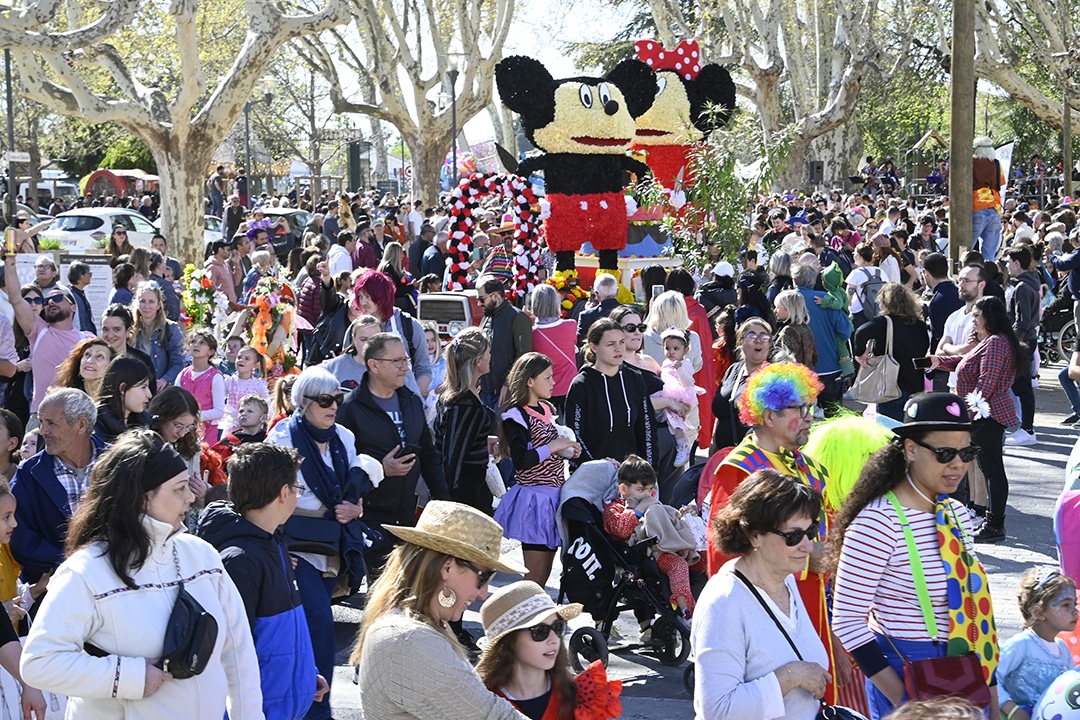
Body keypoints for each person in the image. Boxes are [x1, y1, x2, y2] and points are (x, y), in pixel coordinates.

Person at [20, 430, 264, 718]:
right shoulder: (85, 571)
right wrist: (128, 677)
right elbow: (40, 663)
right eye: (179, 489)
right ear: (141, 498)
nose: (190, 497)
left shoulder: (202, 555)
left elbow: (239, 654)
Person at [831, 392, 1000, 719]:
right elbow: (847, 621)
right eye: (945, 452)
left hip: (965, 671)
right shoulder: (878, 522)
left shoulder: (957, 514)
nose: (958, 464)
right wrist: (908, 703)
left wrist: (992, 703)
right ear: (910, 449)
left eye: (967, 452)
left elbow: (973, 609)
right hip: (910, 682)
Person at [703, 362, 844, 701]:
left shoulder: (811, 468)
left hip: (816, 610)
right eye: (800, 408)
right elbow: (723, 551)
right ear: (769, 416)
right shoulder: (739, 469)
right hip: (764, 612)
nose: (810, 416)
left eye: (810, 407)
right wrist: (810, 557)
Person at [265, 366, 379, 720]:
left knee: (317, 620)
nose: (333, 406)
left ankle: (310, 701)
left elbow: (351, 489)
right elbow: (267, 499)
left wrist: (355, 505)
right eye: (325, 400)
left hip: (332, 544)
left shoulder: (344, 438)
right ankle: (316, 710)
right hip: (293, 543)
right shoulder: (281, 438)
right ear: (304, 403)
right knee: (315, 617)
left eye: (337, 399)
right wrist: (277, 548)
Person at [351, 500, 529, 720]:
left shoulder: (417, 626)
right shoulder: (411, 639)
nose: (483, 593)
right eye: (483, 577)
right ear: (448, 567)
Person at [196, 444, 329, 720]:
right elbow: (229, 653)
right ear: (284, 493)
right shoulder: (239, 561)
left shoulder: (274, 544)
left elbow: (282, 633)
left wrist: (305, 675)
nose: (297, 494)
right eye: (297, 487)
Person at [694, 468, 831, 720]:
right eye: (793, 536)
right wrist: (792, 676)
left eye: (811, 531)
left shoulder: (786, 579)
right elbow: (718, 710)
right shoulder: (724, 601)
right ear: (754, 535)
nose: (808, 546)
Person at [337, 333, 450, 572]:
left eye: (405, 360)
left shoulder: (410, 401)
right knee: (380, 596)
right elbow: (341, 466)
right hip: (370, 517)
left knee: (405, 596)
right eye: (397, 361)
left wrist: (443, 502)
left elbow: (428, 456)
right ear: (374, 365)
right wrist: (381, 469)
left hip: (408, 516)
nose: (404, 367)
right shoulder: (350, 408)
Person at [929, 297, 1021, 542]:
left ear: (989, 318)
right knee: (990, 469)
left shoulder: (996, 343)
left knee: (993, 470)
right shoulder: (991, 341)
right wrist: (941, 362)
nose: (973, 320)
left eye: (977, 316)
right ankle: (993, 522)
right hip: (982, 413)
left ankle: (994, 525)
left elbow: (986, 383)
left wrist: (967, 414)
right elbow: (967, 364)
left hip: (987, 415)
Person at [477, 580, 622, 720]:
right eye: (540, 631)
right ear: (508, 642)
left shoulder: (581, 698)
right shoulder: (478, 703)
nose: (554, 639)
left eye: (557, 627)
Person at [495, 353, 580, 586]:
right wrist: (554, 446)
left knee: (543, 577)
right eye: (548, 377)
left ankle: (537, 622)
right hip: (534, 502)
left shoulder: (546, 409)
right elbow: (521, 460)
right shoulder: (516, 415)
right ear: (529, 381)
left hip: (554, 497)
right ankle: (523, 620)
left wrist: (567, 450)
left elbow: (549, 448)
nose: (553, 382)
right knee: (533, 578)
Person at [10, 387, 107, 588]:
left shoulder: (116, 464)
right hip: (55, 587)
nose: (43, 431)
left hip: (114, 584)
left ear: (81, 425)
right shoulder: (29, 473)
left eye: (51, 423)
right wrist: (73, 565)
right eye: (41, 421)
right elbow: (21, 539)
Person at [605, 455, 703, 621]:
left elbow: (663, 521)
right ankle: (687, 613)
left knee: (703, 563)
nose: (647, 494)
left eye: (650, 490)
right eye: (641, 490)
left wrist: (679, 515)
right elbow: (621, 530)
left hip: (670, 547)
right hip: (646, 555)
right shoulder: (615, 507)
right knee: (678, 565)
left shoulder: (654, 504)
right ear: (624, 490)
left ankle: (706, 609)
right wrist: (640, 508)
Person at [319, 268, 432, 398]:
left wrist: (412, 398)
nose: (363, 302)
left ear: (383, 296)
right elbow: (348, 366)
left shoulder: (410, 326)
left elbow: (423, 369)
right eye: (360, 297)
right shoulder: (355, 328)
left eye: (368, 297)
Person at [5, 253, 93, 418]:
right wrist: (9, 260)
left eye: (58, 298)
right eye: (47, 301)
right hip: (41, 415)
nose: (51, 302)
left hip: (74, 417)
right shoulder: (38, 331)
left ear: (73, 307)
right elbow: (16, 299)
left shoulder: (86, 339)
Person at [565, 318, 659, 469]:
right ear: (593, 347)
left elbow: (646, 428)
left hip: (632, 478)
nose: (619, 348)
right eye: (611, 344)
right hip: (593, 476)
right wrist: (598, 467)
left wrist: (650, 469)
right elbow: (575, 437)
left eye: (622, 342)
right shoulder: (581, 385)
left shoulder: (635, 379)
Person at [993, 568, 1077, 719]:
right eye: (1066, 605)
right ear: (1040, 613)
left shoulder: (1063, 649)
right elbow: (990, 678)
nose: (1075, 611)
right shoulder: (1021, 645)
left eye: (1074, 604)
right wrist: (1012, 710)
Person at [434, 328, 495, 513]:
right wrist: (447, 506)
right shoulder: (465, 405)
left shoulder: (464, 396)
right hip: (464, 498)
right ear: (478, 362)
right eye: (488, 353)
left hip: (471, 489)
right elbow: (453, 459)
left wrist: (482, 442)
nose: (491, 356)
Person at [853, 283, 930, 421]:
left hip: (890, 386)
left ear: (886, 303)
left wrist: (860, 353)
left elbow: (860, 332)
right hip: (915, 385)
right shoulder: (919, 324)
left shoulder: (884, 322)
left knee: (889, 430)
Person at [794, 261, 852, 416]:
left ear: (795, 280)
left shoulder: (787, 301)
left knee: (801, 418)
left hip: (799, 369)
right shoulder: (827, 300)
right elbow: (845, 329)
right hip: (830, 366)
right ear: (814, 281)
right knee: (834, 415)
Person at [711, 318, 772, 453]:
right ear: (740, 341)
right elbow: (722, 413)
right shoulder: (733, 370)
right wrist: (713, 447)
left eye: (764, 336)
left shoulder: (773, 377)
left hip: (753, 459)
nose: (758, 340)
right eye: (752, 336)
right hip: (722, 457)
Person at [477, 275, 533, 412]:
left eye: (481, 299)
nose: (479, 304)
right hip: (484, 393)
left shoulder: (517, 317)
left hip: (505, 395)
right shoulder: (487, 318)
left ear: (495, 296)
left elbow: (523, 357)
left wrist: (508, 385)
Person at [1004, 245, 1040, 447]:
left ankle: (1027, 429)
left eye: (1009, 262)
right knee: (1021, 386)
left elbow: (1023, 321)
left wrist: (1013, 343)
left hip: (1023, 342)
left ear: (1017, 263)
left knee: (1023, 387)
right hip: (1026, 340)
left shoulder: (1022, 287)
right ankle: (1025, 427)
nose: (1007, 266)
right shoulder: (1028, 284)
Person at [657, 327, 704, 466]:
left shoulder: (685, 364)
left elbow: (689, 382)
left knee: (676, 421)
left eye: (676, 349)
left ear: (686, 350)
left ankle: (682, 447)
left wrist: (680, 369)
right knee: (669, 420)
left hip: (681, 395)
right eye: (668, 348)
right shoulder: (666, 363)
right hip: (669, 393)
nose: (671, 352)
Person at [131, 282, 184, 390]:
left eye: (151, 302)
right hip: (135, 388)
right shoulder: (130, 329)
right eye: (142, 301)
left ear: (159, 305)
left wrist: (164, 380)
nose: (146, 306)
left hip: (161, 389)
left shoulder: (171, 328)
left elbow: (178, 361)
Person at [178, 328, 226, 442]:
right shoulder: (183, 374)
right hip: (184, 431)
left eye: (202, 343)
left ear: (211, 351)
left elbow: (219, 411)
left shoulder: (215, 377)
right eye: (193, 342)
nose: (196, 345)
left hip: (208, 432)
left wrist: (195, 416)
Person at [92, 356, 154, 444]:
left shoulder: (146, 423)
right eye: (143, 387)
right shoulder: (95, 427)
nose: (149, 395)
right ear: (123, 388)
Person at [99, 303, 156, 389]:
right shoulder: (96, 360)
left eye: (116, 329)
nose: (110, 335)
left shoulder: (142, 360)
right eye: (105, 329)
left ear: (128, 331)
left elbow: (151, 393)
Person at [221, 346, 270, 435]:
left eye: (247, 359)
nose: (241, 360)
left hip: (252, 429)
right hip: (232, 426)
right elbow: (219, 400)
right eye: (239, 357)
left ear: (254, 365)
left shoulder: (259, 386)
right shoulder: (229, 381)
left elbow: (268, 406)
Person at [972, 136, 1005, 262]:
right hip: (994, 209)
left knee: (965, 250)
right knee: (989, 255)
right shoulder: (996, 163)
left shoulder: (971, 163)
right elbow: (1001, 182)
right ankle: (988, 276)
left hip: (976, 207)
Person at [611, 305, 661, 375]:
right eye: (631, 328)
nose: (637, 332)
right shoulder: (610, 366)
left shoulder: (649, 361)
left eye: (641, 327)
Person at [773, 290, 817, 369]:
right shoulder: (805, 328)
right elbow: (814, 357)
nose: (775, 310)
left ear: (788, 309)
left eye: (778, 307)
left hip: (791, 377)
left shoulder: (789, 331)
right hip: (806, 376)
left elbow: (785, 361)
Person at [577, 273, 622, 345]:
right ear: (617, 292)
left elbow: (581, 343)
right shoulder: (630, 312)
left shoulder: (587, 315)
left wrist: (589, 311)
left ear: (596, 294)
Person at [67, 261, 97, 335]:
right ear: (81, 276)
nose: (91, 276)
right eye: (89, 273)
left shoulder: (78, 293)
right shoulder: (73, 296)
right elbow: (81, 320)